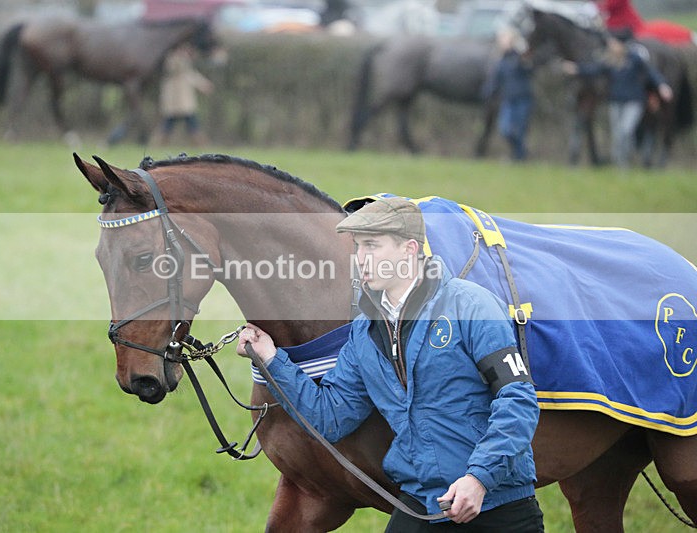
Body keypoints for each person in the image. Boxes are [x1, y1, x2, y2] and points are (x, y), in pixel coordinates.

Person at [237, 197, 543, 532]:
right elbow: (331, 417)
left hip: (498, 501)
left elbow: (518, 401)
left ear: (409, 249)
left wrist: (478, 479)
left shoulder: (471, 305)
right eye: (357, 247)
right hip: (423, 503)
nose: (361, 259)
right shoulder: (363, 332)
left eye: (372, 246)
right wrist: (272, 359)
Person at [562, 28, 673, 168]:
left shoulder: (635, 59)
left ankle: (626, 158)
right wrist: (576, 69)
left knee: (625, 130)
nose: (611, 45)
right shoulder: (611, 61)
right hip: (616, 101)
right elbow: (595, 69)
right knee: (617, 133)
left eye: (613, 43)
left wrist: (662, 85)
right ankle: (621, 164)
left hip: (633, 101)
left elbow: (651, 73)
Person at [482, 28, 535, 161]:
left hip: (523, 100)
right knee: (505, 129)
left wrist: (522, 54)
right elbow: (494, 82)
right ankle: (520, 154)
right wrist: (484, 95)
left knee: (520, 131)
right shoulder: (500, 61)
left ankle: (519, 157)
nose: (502, 42)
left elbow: (529, 69)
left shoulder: (520, 58)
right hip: (508, 100)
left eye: (505, 39)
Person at [156, 44, 214, 146]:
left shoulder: (184, 59)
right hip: (174, 97)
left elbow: (190, 74)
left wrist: (203, 84)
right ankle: (157, 145)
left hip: (182, 97)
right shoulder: (172, 58)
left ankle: (203, 145)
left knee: (188, 122)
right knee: (172, 122)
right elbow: (173, 69)